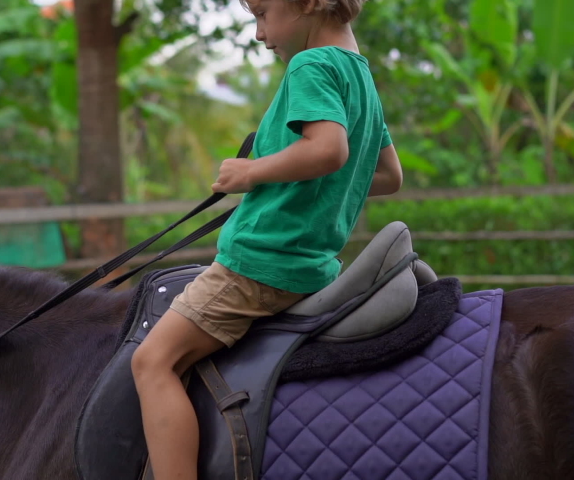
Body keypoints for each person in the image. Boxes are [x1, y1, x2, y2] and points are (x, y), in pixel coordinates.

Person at [130, 0, 403, 478]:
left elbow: (329, 149)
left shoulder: (311, 63)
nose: (260, 33)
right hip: (312, 266)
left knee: (152, 363)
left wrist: (252, 171)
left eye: (262, 13)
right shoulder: (360, 77)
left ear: (307, 6)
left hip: (260, 261)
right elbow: (388, 175)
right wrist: (322, 177)